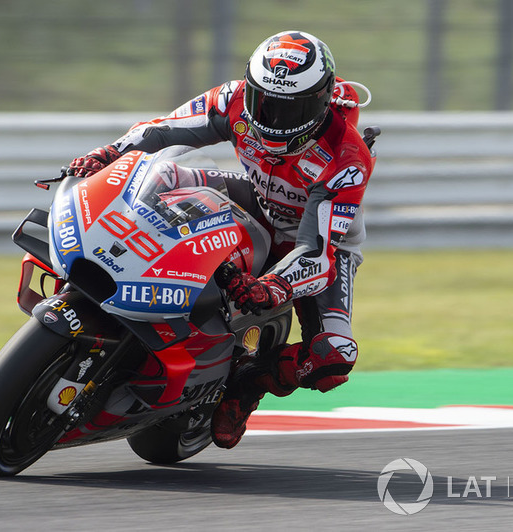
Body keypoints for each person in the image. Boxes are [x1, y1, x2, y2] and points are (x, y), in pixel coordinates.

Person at [67, 30, 376, 449]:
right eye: (262, 100)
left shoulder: (346, 158)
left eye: (291, 108)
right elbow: (161, 132)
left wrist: (275, 285)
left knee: (335, 356)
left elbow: (316, 252)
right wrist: (110, 153)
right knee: (162, 177)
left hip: (320, 245)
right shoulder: (231, 100)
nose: (270, 118)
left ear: (323, 101)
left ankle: (250, 381)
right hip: (255, 200)